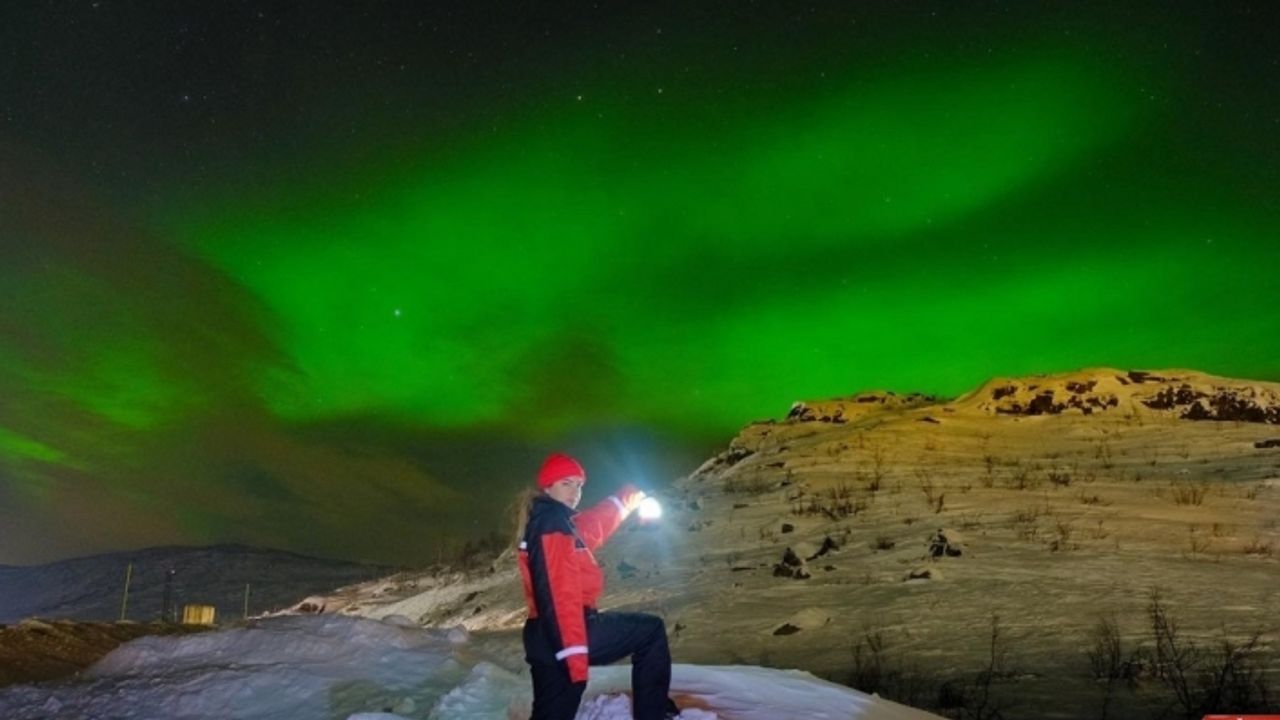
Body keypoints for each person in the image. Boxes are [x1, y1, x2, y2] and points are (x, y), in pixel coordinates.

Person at [517, 452, 679, 720]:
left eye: (579, 485)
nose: (575, 492)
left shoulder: (556, 521)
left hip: (542, 635)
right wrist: (573, 654)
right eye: (566, 483)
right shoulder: (552, 524)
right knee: (650, 632)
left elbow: (596, 524)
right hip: (566, 630)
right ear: (548, 486)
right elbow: (559, 594)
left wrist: (629, 496)